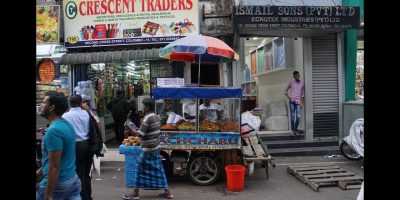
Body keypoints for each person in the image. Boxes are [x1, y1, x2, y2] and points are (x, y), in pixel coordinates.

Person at [123, 98, 174, 200]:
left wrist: (131, 127)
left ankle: (135, 193)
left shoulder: (147, 118)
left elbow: (140, 134)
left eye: (143, 106)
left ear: (147, 107)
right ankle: (168, 193)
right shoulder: (156, 116)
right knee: (158, 170)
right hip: (155, 147)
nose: (142, 107)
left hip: (148, 149)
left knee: (139, 169)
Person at [37, 91, 81, 200]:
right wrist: (39, 172)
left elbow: (54, 166)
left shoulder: (53, 131)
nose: (41, 105)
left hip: (58, 185)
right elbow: (55, 160)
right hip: (72, 181)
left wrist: (48, 195)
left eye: (44, 103)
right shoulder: (67, 125)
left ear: (51, 107)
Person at [62, 95, 93, 200]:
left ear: (70, 103)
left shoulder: (66, 116)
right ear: (80, 103)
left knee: (78, 172)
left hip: (75, 146)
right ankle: (88, 195)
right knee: (86, 172)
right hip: (88, 145)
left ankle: (82, 196)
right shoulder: (86, 113)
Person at [284, 71, 305, 136]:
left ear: (299, 75)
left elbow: (302, 95)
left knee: (298, 116)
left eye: (298, 76)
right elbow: (285, 90)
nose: (297, 77)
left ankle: (295, 129)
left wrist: (302, 103)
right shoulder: (291, 83)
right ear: (294, 76)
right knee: (292, 116)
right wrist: (289, 97)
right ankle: (293, 131)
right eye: (296, 76)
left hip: (298, 102)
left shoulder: (302, 83)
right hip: (292, 102)